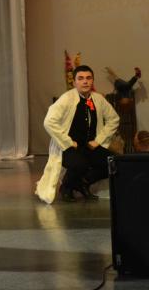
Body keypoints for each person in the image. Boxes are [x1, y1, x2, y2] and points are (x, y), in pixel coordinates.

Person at [36, 65, 120, 203]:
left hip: (90, 145)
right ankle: (66, 188)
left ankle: (83, 182)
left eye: (88, 78)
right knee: (80, 164)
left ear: (93, 81)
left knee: (113, 162)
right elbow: (49, 122)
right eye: (80, 78)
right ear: (74, 82)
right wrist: (68, 142)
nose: (85, 81)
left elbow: (114, 119)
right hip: (69, 148)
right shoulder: (66, 98)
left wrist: (99, 140)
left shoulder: (98, 99)